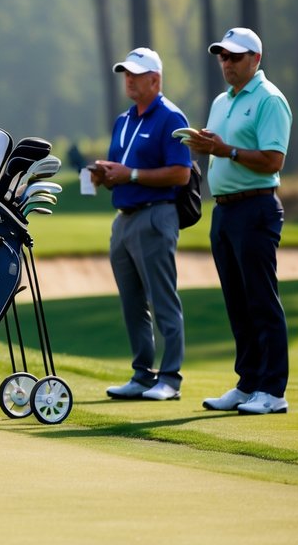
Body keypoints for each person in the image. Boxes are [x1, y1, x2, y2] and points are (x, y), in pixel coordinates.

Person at [181, 28, 293, 415]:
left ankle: (273, 391)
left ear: (255, 59)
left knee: (261, 300)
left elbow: (273, 160)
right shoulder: (221, 101)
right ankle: (248, 384)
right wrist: (207, 146)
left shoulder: (269, 99)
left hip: (256, 208)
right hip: (225, 211)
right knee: (237, 302)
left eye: (234, 56)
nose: (226, 63)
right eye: (222, 56)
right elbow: (221, 149)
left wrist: (224, 150)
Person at [90, 48, 192, 402]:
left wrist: (130, 174)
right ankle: (142, 374)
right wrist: (105, 176)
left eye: (136, 74)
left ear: (155, 80)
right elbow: (119, 169)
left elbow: (181, 173)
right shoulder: (124, 120)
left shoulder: (171, 118)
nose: (129, 79)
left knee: (162, 300)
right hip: (124, 219)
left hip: (156, 215)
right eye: (126, 74)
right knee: (132, 303)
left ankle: (170, 378)